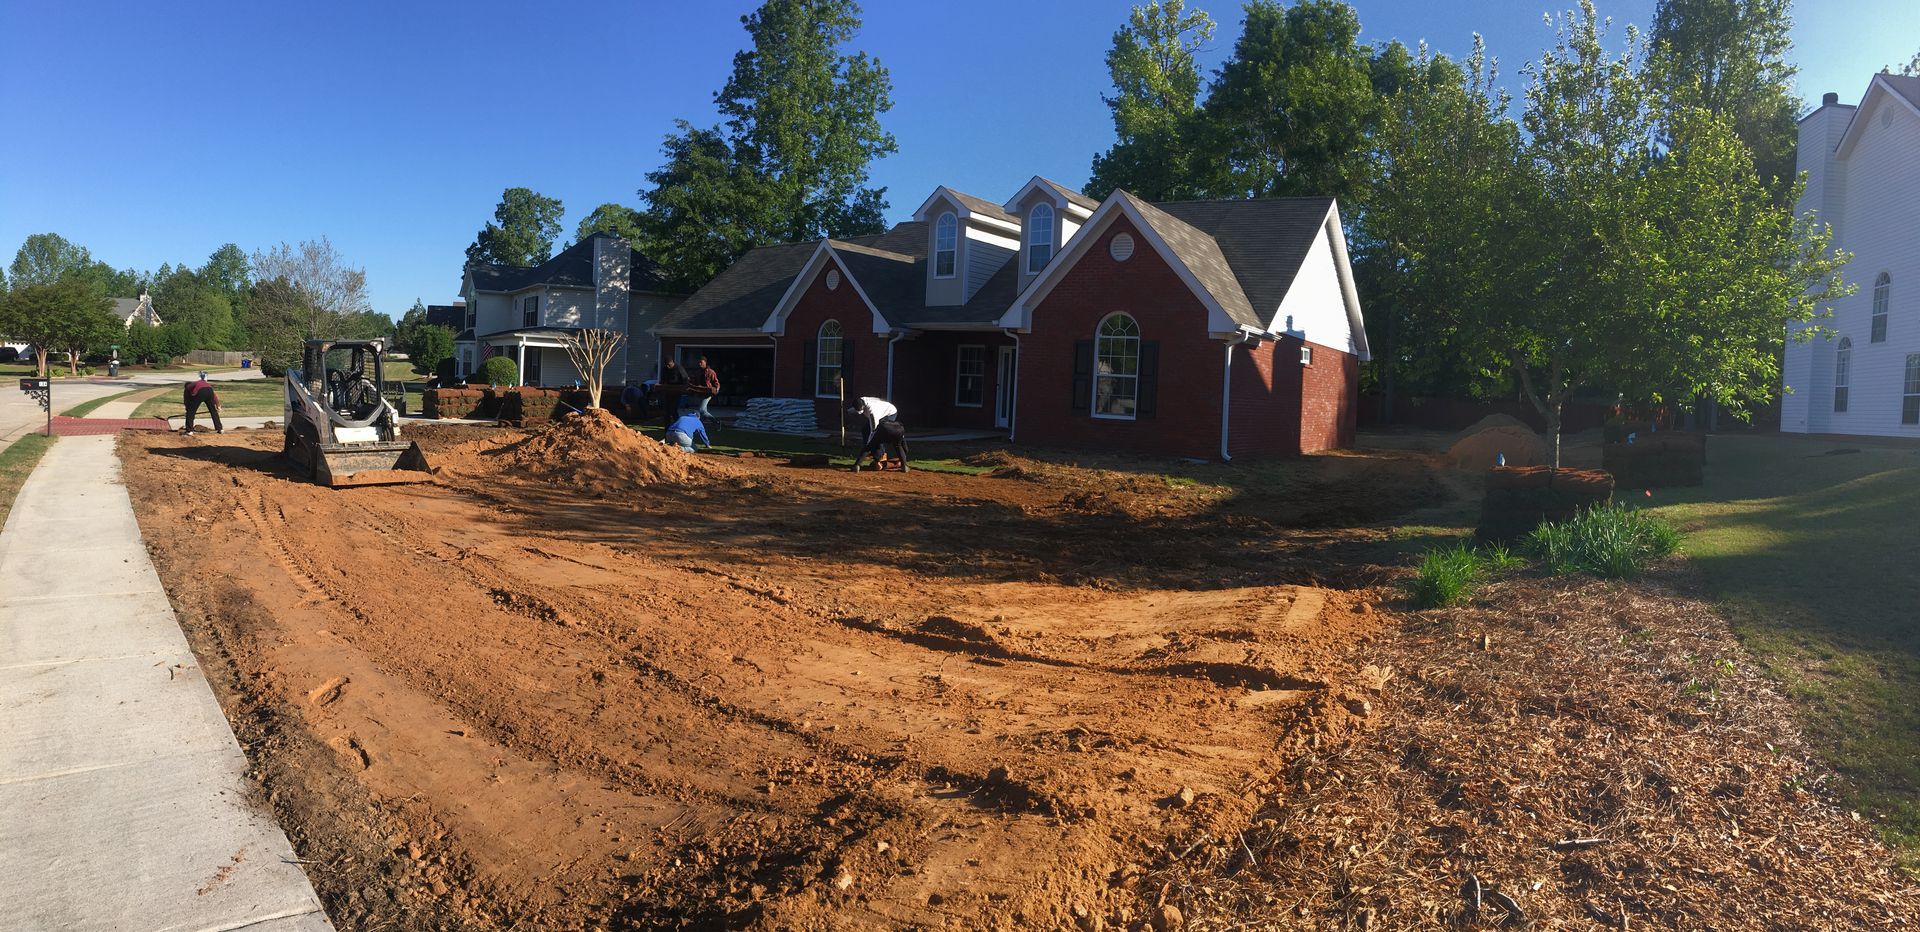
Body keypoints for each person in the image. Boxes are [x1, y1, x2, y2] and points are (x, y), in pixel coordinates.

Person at [848, 396, 907, 473]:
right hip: (882, 412)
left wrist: (869, 444)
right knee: (865, 430)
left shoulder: (872, 412)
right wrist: (847, 411)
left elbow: (873, 430)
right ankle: (872, 452)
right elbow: (856, 408)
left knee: (878, 435)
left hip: (889, 413)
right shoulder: (861, 400)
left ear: (864, 406)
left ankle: (880, 456)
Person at [693, 355, 722, 420]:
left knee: (701, 410)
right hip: (700, 393)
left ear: (705, 362)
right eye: (699, 362)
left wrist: (717, 389)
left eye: (701, 362)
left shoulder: (711, 372)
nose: (700, 364)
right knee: (703, 411)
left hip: (708, 393)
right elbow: (695, 381)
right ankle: (701, 425)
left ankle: (716, 422)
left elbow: (716, 382)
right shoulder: (697, 372)